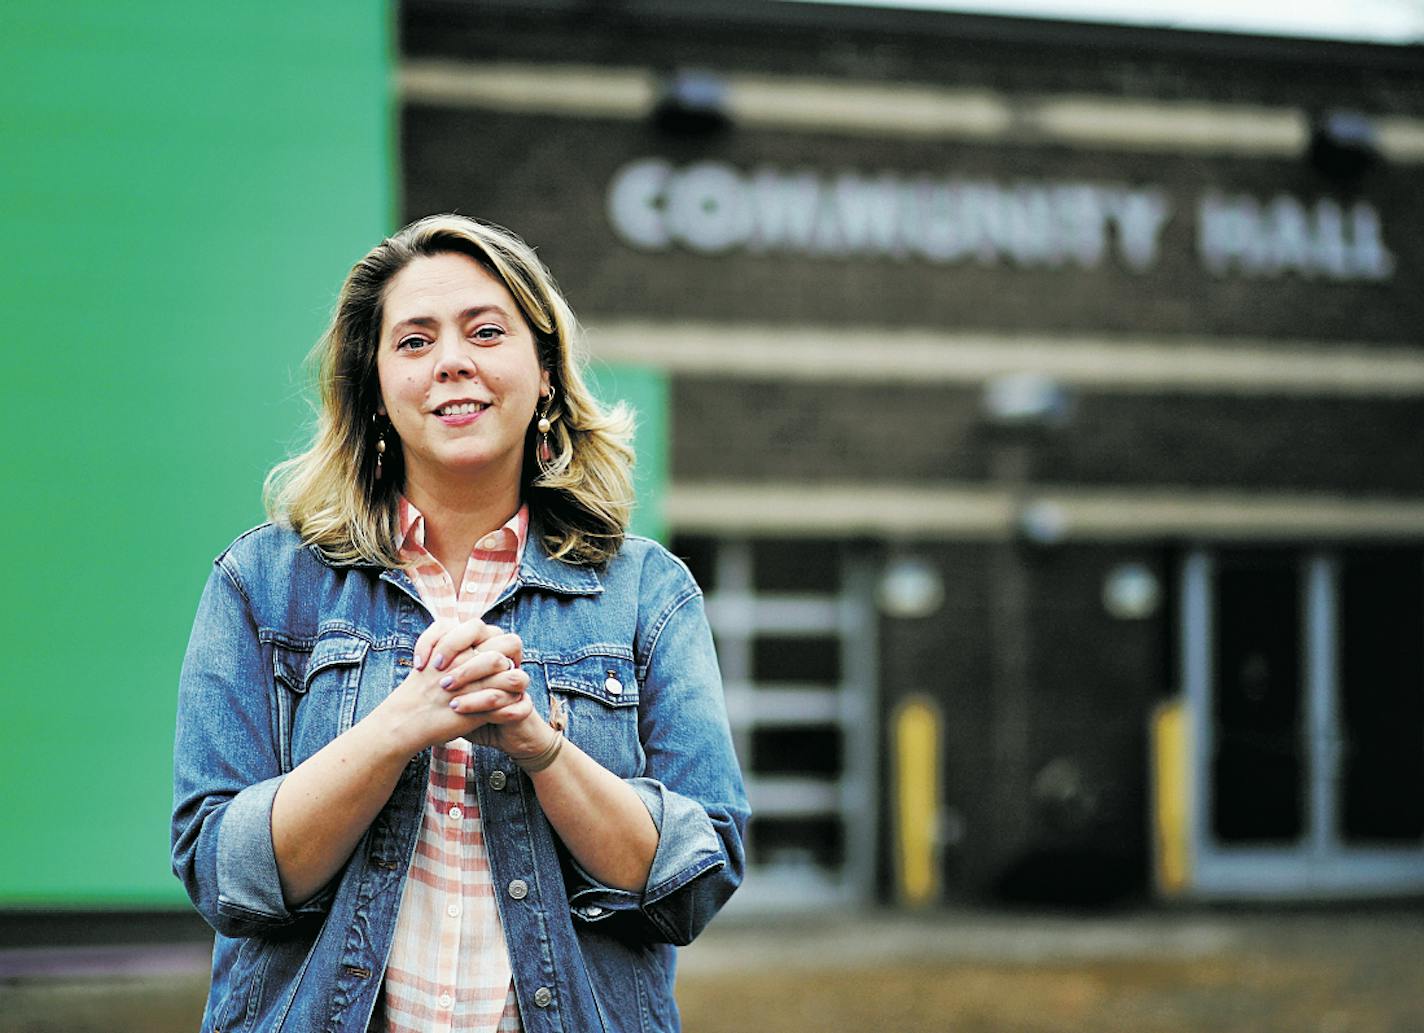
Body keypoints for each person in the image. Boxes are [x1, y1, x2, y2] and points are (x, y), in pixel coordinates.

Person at [171, 214, 749, 1033]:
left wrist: (539, 745)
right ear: (373, 384)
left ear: (545, 370)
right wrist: (397, 727)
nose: (452, 361)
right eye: (413, 341)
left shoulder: (649, 595)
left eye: (486, 331)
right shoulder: (262, 584)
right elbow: (223, 875)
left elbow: (692, 884)